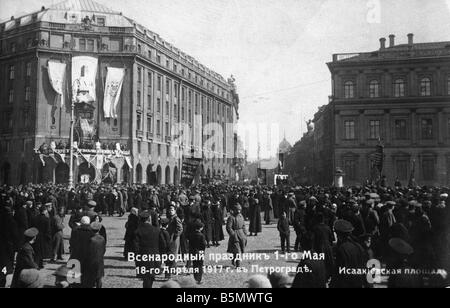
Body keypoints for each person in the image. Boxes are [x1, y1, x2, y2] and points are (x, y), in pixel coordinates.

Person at [330, 220, 366, 288]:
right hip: (358, 281)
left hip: (347, 283)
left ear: (338, 234)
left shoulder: (342, 249)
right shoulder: (358, 246)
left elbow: (339, 270)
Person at [133, 211, 161, 288]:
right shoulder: (157, 230)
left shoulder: (137, 231)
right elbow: (161, 245)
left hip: (143, 258)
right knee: (151, 277)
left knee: (146, 279)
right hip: (154, 257)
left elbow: (136, 247)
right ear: (149, 219)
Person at [69, 216, 94, 287]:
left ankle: (74, 284)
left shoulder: (75, 231)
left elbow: (72, 242)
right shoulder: (91, 232)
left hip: (77, 254)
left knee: (75, 272)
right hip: (87, 255)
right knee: (86, 272)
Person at [85, 222, 106, 288]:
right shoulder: (102, 238)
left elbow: (87, 251)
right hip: (100, 260)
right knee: (99, 278)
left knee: (91, 277)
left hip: (91, 260)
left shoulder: (90, 239)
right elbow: (104, 249)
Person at [166, 204, 183, 278]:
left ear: (175, 211)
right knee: (171, 254)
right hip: (171, 238)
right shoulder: (171, 218)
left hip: (175, 239)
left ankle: (175, 269)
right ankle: (174, 268)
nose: (170, 211)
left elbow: (180, 228)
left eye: (172, 210)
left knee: (174, 254)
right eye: (170, 210)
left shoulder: (176, 218)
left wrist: (175, 235)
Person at [188, 220, 206, 285]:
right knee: (200, 266)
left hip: (193, 252)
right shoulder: (202, 236)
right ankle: (199, 279)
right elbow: (203, 245)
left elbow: (190, 244)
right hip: (200, 252)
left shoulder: (191, 235)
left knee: (195, 266)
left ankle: (195, 278)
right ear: (201, 228)